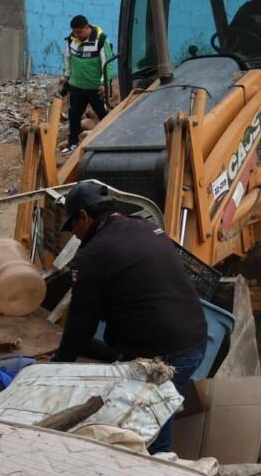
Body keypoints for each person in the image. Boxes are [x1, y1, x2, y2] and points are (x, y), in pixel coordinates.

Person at [52, 181, 208, 455]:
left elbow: (81, 324)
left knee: (146, 429)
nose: (74, 235)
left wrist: (56, 368)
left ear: (84, 217)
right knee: (140, 406)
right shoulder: (145, 227)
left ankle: (161, 472)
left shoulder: (93, 254)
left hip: (167, 356)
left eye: (72, 227)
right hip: (194, 338)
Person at [60, 15, 115, 156]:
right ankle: (72, 143)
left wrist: (104, 83)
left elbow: (108, 64)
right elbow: (68, 58)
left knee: (103, 115)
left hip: (95, 88)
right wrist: (66, 76)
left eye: (79, 32)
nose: (76, 35)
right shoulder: (72, 40)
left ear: (87, 28)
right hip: (76, 86)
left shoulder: (101, 41)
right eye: (74, 32)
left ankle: (112, 142)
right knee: (74, 115)